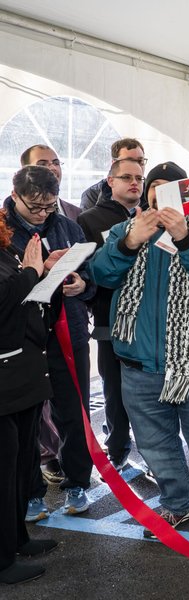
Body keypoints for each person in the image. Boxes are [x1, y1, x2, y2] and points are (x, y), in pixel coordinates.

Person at [89, 161, 189, 537]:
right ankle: (174, 505)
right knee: (155, 443)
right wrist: (128, 242)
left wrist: (185, 240)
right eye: (154, 186)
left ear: (185, 194)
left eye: (170, 187)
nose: (160, 193)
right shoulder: (125, 231)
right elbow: (101, 275)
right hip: (138, 363)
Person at [4, 166, 96, 520]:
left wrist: (82, 285)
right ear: (15, 197)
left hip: (67, 333)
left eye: (50, 207)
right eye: (35, 207)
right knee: (25, 421)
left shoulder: (67, 225)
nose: (43, 214)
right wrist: (36, 273)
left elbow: (90, 271)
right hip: (22, 340)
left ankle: (77, 484)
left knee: (74, 411)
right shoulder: (3, 231)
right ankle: (30, 493)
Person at [77, 158, 156, 475]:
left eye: (140, 177)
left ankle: (155, 457)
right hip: (110, 318)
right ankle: (118, 450)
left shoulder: (155, 217)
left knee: (151, 397)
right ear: (110, 181)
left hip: (149, 321)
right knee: (114, 392)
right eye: (127, 177)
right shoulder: (88, 220)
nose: (135, 183)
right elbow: (88, 268)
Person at [0, 209, 61, 585]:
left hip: (22, 378)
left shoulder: (5, 254)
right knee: (3, 473)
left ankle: (16, 539)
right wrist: (31, 272)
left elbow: (22, 298)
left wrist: (43, 272)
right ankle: (2, 559)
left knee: (21, 466)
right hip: (4, 384)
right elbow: (5, 303)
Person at [81, 138, 147, 210]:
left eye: (140, 161)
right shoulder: (92, 196)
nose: (136, 166)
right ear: (114, 164)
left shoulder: (153, 191)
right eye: (129, 160)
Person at [20, 145, 80, 221]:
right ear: (25, 170)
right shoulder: (8, 217)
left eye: (56, 163)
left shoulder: (77, 213)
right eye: (42, 164)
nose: (53, 168)